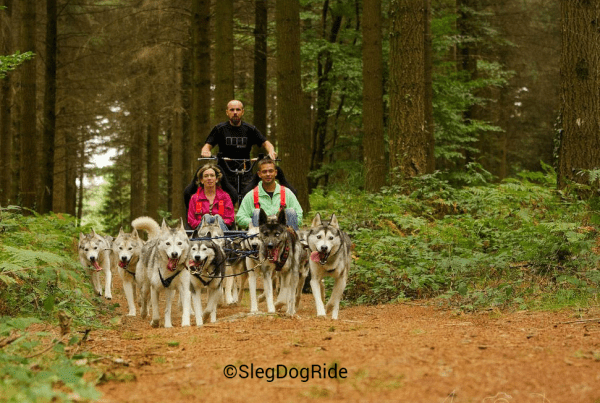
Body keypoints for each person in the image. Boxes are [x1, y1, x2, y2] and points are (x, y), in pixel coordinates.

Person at [201, 100, 277, 194]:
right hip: (224, 172)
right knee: (227, 199)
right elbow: (207, 146)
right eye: (232, 110)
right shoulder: (220, 129)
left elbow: (266, 143)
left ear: (242, 112)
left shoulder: (250, 129)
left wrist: (271, 151)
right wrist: (206, 152)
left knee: (248, 196)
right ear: (227, 112)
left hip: (245, 172)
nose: (235, 112)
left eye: (238, 109)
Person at [236, 158, 303, 230]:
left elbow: (299, 216)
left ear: (276, 172)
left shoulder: (288, 193)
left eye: (271, 171)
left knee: (290, 212)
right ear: (259, 174)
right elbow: (240, 218)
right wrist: (258, 222)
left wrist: (284, 222)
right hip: (260, 235)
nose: (268, 174)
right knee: (257, 213)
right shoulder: (250, 195)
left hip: (284, 236)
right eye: (264, 172)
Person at [187, 164, 235, 232]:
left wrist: (216, 223)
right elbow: (191, 220)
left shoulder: (225, 197)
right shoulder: (195, 198)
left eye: (212, 175)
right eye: (206, 176)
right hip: (201, 233)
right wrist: (205, 224)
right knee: (206, 217)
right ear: (201, 180)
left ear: (216, 179)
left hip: (221, 232)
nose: (209, 178)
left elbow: (230, 219)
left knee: (217, 217)